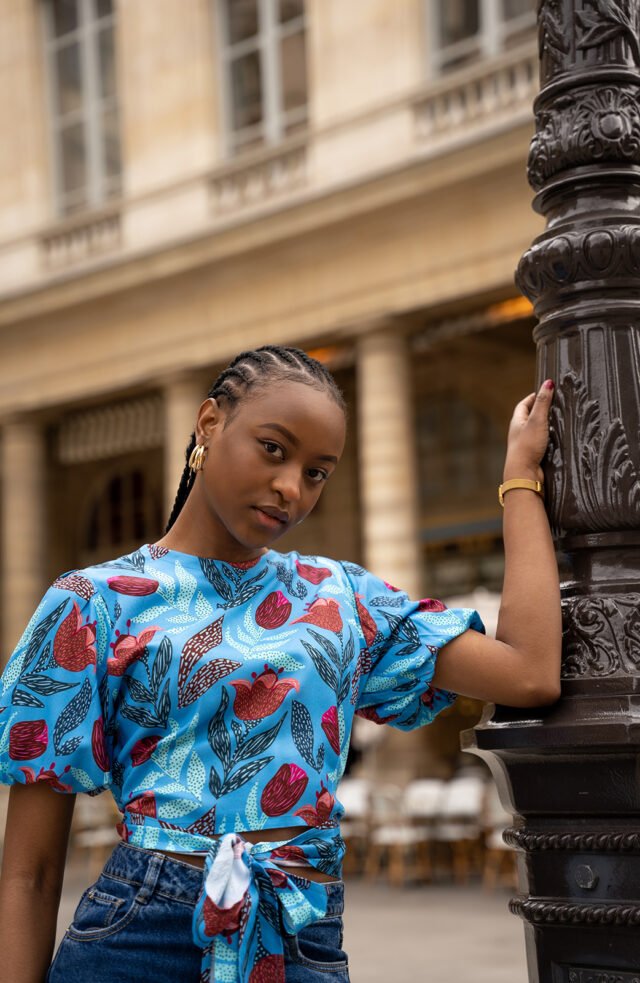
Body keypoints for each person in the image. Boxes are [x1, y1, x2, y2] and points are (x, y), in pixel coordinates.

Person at [0, 345, 561, 983]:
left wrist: (520, 477)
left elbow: (529, 673)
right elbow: (31, 873)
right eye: (274, 448)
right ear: (209, 423)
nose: (291, 488)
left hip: (299, 934)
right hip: (139, 942)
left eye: (318, 472)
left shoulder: (342, 599)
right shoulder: (91, 605)